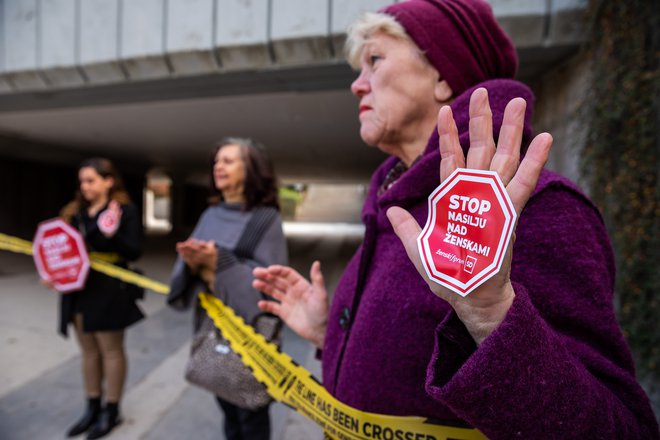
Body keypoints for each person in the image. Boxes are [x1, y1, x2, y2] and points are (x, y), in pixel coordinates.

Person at [252, 1, 659, 439]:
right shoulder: (399, 203)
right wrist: (327, 332)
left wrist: (490, 314)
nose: (357, 85)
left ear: (443, 75)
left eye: (375, 59)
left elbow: (619, 429)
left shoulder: (535, 208)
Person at [167, 137, 288, 440]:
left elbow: (271, 286)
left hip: (250, 337)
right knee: (227, 408)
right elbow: (184, 277)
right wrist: (193, 263)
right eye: (217, 161)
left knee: (252, 416)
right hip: (214, 329)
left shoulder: (265, 219)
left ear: (252, 169)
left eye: (229, 161)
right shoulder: (210, 214)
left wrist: (218, 261)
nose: (219, 166)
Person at [49, 158, 143, 439]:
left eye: (90, 180)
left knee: (111, 351)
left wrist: (109, 233)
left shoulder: (124, 211)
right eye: (82, 181)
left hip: (109, 290)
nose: (84, 186)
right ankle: (92, 407)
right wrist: (52, 271)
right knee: (89, 352)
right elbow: (59, 247)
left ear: (108, 181)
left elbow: (133, 251)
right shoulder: (75, 212)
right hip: (77, 290)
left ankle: (111, 410)